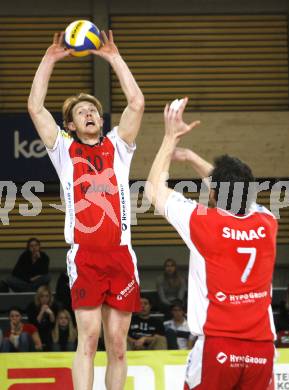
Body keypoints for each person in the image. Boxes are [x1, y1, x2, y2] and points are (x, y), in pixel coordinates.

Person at [28, 29, 144, 390]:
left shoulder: (118, 146)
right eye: (82, 112)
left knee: (119, 345)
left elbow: (137, 103)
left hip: (121, 255)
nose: (90, 113)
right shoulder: (63, 149)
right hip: (85, 256)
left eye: (93, 109)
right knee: (89, 339)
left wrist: (113, 58)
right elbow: (35, 107)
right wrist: (48, 60)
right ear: (71, 125)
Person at [146, 97, 278, 390]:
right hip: (262, 348)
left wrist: (170, 139)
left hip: (218, 345)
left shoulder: (203, 222)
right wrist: (192, 157)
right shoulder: (267, 222)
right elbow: (233, 192)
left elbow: (154, 190)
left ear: (215, 192)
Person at [26, 285, 58, 350]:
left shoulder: (54, 306)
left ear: (50, 297)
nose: (44, 298)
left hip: (49, 333)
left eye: (47, 296)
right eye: (42, 296)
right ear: (38, 297)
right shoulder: (32, 306)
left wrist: (51, 314)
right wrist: (42, 312)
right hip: (36, 333)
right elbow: (34, 324)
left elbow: (53, 324)